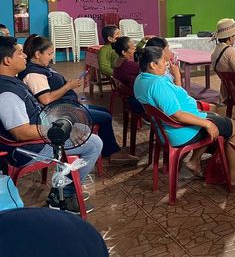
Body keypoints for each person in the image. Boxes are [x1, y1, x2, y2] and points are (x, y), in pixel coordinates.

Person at [0, 36, 102, 214]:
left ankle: (64, 185)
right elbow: (22, 132)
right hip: (26, 149)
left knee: (84, 130)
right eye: (20, 53)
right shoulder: (7, 94)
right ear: (7, 60)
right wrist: (55, 129)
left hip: (36, 136)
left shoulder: (10, 81)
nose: (25, 56)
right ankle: (63, 196)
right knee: (94, 143)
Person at [19, 35, 138, 166]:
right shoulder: (34, 74)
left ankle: (108, 148)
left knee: (104, 111)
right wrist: (68, 87)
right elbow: (46, 99)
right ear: (37, 54)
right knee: (105, 118)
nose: (52, 57)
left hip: (67, 106)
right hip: (60, 113)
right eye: (49, 54)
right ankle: (112, 153)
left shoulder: (41, 68)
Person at [134, 46, 235, 184]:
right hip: (181, 131)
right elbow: (177, 115)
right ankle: (233, 177)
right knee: (233, 126)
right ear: (152, 64)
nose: (167, 63)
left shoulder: (141, 79)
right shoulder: (157, 84)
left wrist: (177, 77)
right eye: (163, 60)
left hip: (166, 130)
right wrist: (207, 123)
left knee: (213, 115)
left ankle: (195, 160)